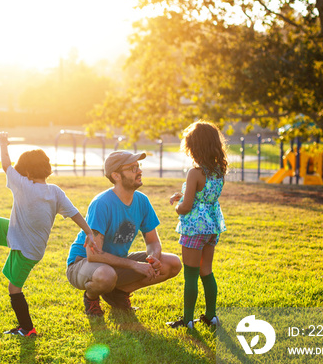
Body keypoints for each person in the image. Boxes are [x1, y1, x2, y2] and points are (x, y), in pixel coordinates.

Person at [0, 132, 98, 337]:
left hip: (27, 250)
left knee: (14, 289)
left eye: (22, 174)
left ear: (28, 174)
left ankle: (27, 329)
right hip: (20, 233)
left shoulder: (23, 185)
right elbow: (74, 214)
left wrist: (3, 144)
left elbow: (6, 165)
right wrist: (89, 233)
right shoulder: (55, 191)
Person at [66, 150, 182, 318]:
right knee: (106, 275)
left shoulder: (142, 201)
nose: (139, 171)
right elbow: (93, 255)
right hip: (82, 263)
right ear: (116, 175)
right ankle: (91, 298)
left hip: (115, 264)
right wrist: (135, 265)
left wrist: (153, 258)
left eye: (138, 166)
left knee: (172, 263)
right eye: (132, 168)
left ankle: (119, 293)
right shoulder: (101, 203)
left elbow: (152, 242)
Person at [167, 121, 228, 329]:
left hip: (195, 228)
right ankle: (211, 316)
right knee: (206, 271)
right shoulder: (219, 170)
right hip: (212, 227)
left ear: (195, 147)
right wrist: (182, 194)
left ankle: (187, 320)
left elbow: (188, 205)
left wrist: (178, 208)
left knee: (190, 273)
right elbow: (205, 195)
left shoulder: (194, 172)